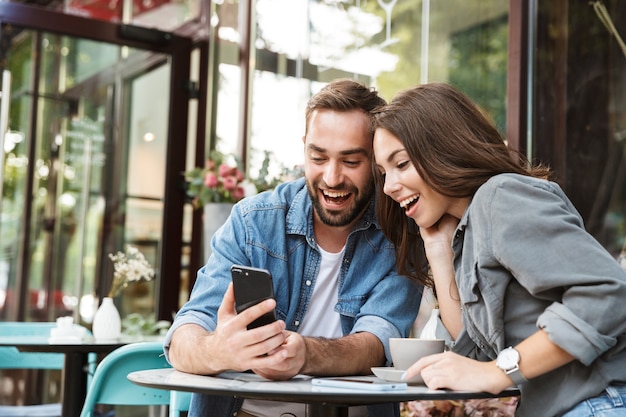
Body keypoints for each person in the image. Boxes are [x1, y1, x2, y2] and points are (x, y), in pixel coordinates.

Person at [164, 78, 423, 417]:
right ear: (304, 148)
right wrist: (219, 350)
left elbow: (376, 343)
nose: (332, 178)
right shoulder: (252, 221)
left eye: (351, 161)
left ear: (376, 159)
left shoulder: (400, 234)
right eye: (318, 157)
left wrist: (306, 354)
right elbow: (184, 336)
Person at [371, 82, 626, 417]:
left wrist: (497, 371)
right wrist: (437, 250)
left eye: (401, 164)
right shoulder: (470, 229)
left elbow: (608, 292)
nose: (389, 187)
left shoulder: (500, 197)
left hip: (598, 402)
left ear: (443, 148)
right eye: (383, 172)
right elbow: (475, 355)